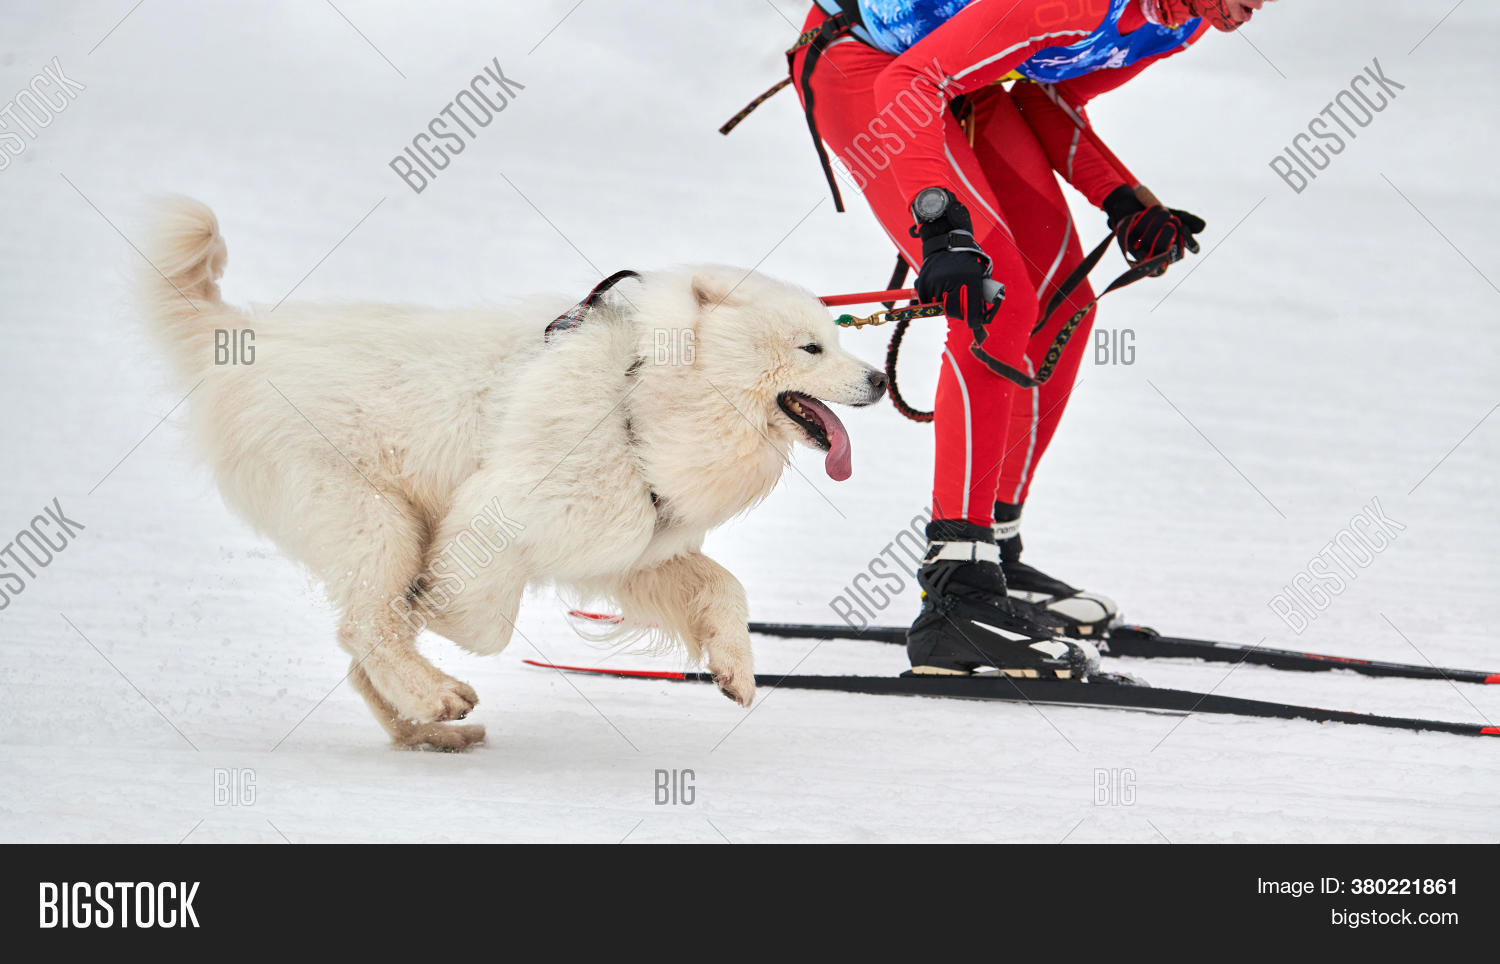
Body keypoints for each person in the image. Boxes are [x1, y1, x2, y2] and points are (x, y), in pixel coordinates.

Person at [782, 0, 1277, 677]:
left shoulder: (1181, 18)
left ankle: (994, 559)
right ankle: (958, 595)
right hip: (868, 65)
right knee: (996, 303)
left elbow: (1048, 96)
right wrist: (941, 226)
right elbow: (908, 84)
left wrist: (1124, 202)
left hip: (961, 81)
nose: (1247, 10)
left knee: (1062, 302)